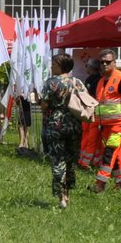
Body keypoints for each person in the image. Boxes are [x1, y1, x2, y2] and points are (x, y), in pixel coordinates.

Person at [39, 53, 85, 209]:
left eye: (54, 63)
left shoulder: (51, 83)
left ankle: (61, 196)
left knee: (58, 160)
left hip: (56, 125)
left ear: (60, 65)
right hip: (74, 124)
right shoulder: (77, 82)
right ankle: (68, 192)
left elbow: (44, 105)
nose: (51, 66)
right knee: (71, 161)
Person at [90, 48, 121, 192]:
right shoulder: (100, 82)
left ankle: (100, 182)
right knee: (114, 151)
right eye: (102, 62)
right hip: (105, 124)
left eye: (108, 62)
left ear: (114, 62)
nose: (105, 65)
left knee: (110, 151)